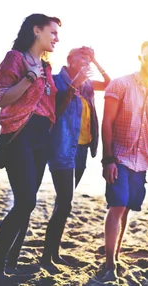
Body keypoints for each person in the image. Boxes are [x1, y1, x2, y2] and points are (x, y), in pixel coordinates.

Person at [0, 13, 62, 281]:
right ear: (36, 30)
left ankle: (10, 263)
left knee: (27, 204)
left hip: (42, 138)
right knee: (26, 201)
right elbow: (2, 98)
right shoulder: (15, 58)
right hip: (20, 135)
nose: (56, 38)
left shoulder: (47, 66)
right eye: (52, 32)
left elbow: (50, 105)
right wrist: (29, 78)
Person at [100, 41, 148, 280]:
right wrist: (107, 159)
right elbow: (106, 122)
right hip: (118, 157)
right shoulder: (121, 84)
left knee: (126, 208)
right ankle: (109, 264)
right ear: (141, 57)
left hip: (142, 161)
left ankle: (115, 254)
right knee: (117, 206)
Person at [41, 47, 111, 269]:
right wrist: (73, 85)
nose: (86, 61)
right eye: (82, 57)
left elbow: (109, 83)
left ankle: (53, 252)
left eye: (88, 58)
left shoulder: (88, 85)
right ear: (70, 59)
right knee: (65, 204)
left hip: (82, 151)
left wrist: (97, 61)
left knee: (63, 204)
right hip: (62, 149)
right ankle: (46, 257)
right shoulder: (55, 81)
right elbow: (54, 112)